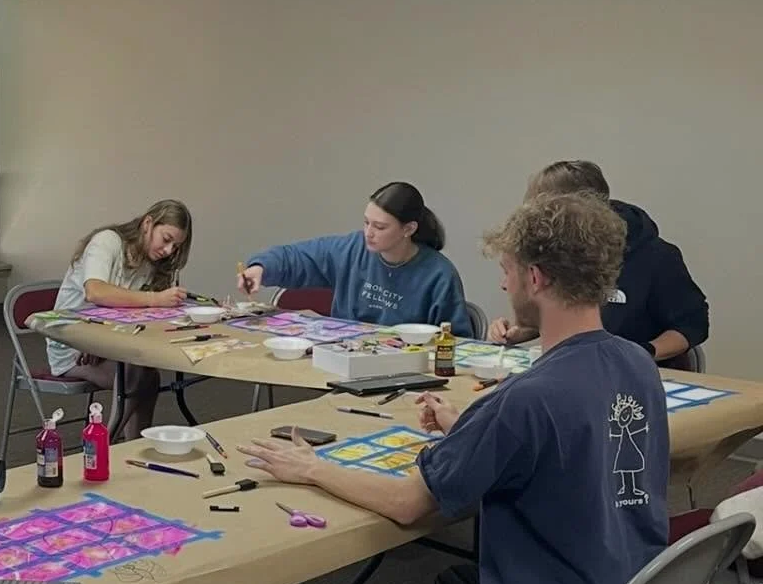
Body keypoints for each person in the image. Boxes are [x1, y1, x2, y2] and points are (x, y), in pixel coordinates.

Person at [240, 194, 679, 584]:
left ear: (536, 277)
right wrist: (469, 427)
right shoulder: (636, 363)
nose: (500, 283)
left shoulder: (525, 398)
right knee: (452, 582)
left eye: (505, 270)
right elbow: (567, 442)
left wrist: (311, 467)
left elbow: (407, 505)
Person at [488, 160, 708, 366]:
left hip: (646, 373)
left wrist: (643, 352)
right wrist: (522, 330)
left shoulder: (656, 256)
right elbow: (569, 313)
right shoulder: (562, 255)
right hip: (582, 366)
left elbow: (692, 325)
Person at [239, 181, 470, 334]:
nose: (368, 233)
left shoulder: (438, 274)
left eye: (380, 227)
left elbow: (456, 341)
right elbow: (298, 258)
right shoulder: (351, 248)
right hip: (345, 361)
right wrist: (261, 268)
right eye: (366, 222)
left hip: (405, 376)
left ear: (408, 229)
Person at [47, 198, 193, 440]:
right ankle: (104, 442)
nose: (168, 251)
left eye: (175, 247)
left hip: (109, 341)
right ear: (148, 223)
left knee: (147, 374)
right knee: (137, 373)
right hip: (72, 342)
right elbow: (96, 291)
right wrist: (154, 299)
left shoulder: (153, 262)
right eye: (166, 240)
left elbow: (134, 312)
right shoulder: (107, 242)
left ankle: (131, 447)